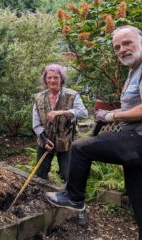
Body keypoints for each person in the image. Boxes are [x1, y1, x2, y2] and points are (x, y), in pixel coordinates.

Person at [46, 25, 142, 239]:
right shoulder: (133, 71)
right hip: (134, 141)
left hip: (139, 138)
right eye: (117, 47)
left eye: (127, 43)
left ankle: (74, 197)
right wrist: (116, 111)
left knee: (81, 148)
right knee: (138, 199)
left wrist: (112, 116)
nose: (122, 49)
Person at [33, 64, 88, 182]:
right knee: (40, 174)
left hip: (66, 141)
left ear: (61, 79)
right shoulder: (39, 98)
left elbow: (84, 113)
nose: (52, 80)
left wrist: (61, 112)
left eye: (56, 77)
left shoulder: (72, 95)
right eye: (49, 77)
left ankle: (67, 197)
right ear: (45, 80)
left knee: (67, 175)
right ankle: (42, 196)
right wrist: (43, 140)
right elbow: (36, 123)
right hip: (45, 140)